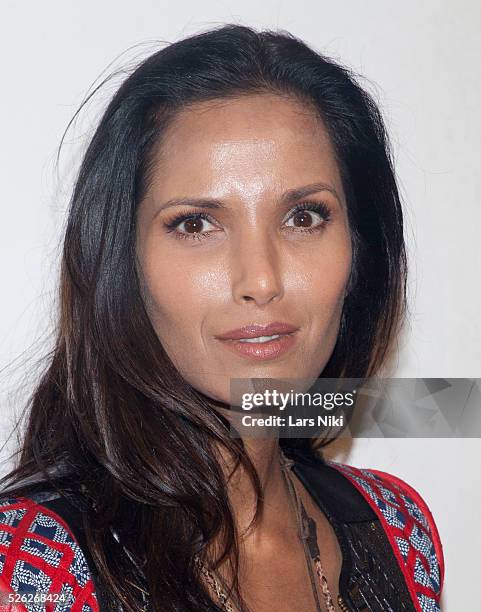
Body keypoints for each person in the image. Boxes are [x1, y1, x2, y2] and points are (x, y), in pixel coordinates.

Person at [0, 23, 444, 612]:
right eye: (195, 224)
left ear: (361, 253)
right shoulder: (36, 565)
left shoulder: (398, 529)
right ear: (121, 263)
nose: (260, 279)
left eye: (305, 217)